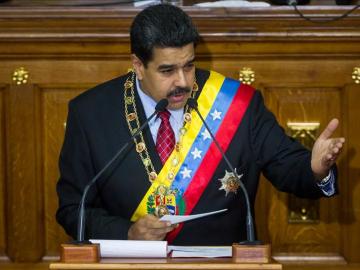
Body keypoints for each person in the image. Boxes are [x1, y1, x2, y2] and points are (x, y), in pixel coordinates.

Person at [56, 4, 345, 245]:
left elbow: (288, 168)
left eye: (189, 65)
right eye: (167, 70)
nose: (182, 81)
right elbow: (73, 210)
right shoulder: (90, 113)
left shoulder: (235, 104)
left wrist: (316, 168)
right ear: (138, 65)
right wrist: (127, 233)